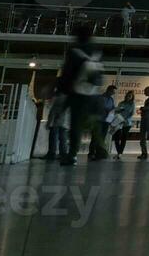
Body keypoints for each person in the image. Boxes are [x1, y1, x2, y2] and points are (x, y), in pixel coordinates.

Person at [55, 27, 104, 165]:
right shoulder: (97, 51)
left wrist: (61, 91)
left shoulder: (74, 51)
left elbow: (67, 74)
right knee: (92, 123)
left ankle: (72, 154)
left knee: (75, 125)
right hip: (93, 95)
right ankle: (99, 147)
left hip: (77, 94)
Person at [90, 85, 117, 161]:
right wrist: (107, 110)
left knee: (102, 138)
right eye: (112, 92)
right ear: (109, 90)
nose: (113, 93)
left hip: (106, 121)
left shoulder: (111, 99)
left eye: (114, 92)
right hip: (99, 121)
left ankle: (99, 153)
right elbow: (99, 108)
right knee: (95, 137)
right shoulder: (100, 98)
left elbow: (112, 109)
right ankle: (92, 153)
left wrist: (114, 111)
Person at [112, 90, 136, 157]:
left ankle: (120, 153)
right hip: (119, 122)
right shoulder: (121, 103)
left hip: (127, 123)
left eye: (130, 96)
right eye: (128, 95)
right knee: (117, 137)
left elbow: (132, 114)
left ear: (132, 97)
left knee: (123, 138)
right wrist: (118, 112)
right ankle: (118, 151)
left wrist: (124, 119)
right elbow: (117, 111)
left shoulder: (132, 104)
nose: (128, 97)